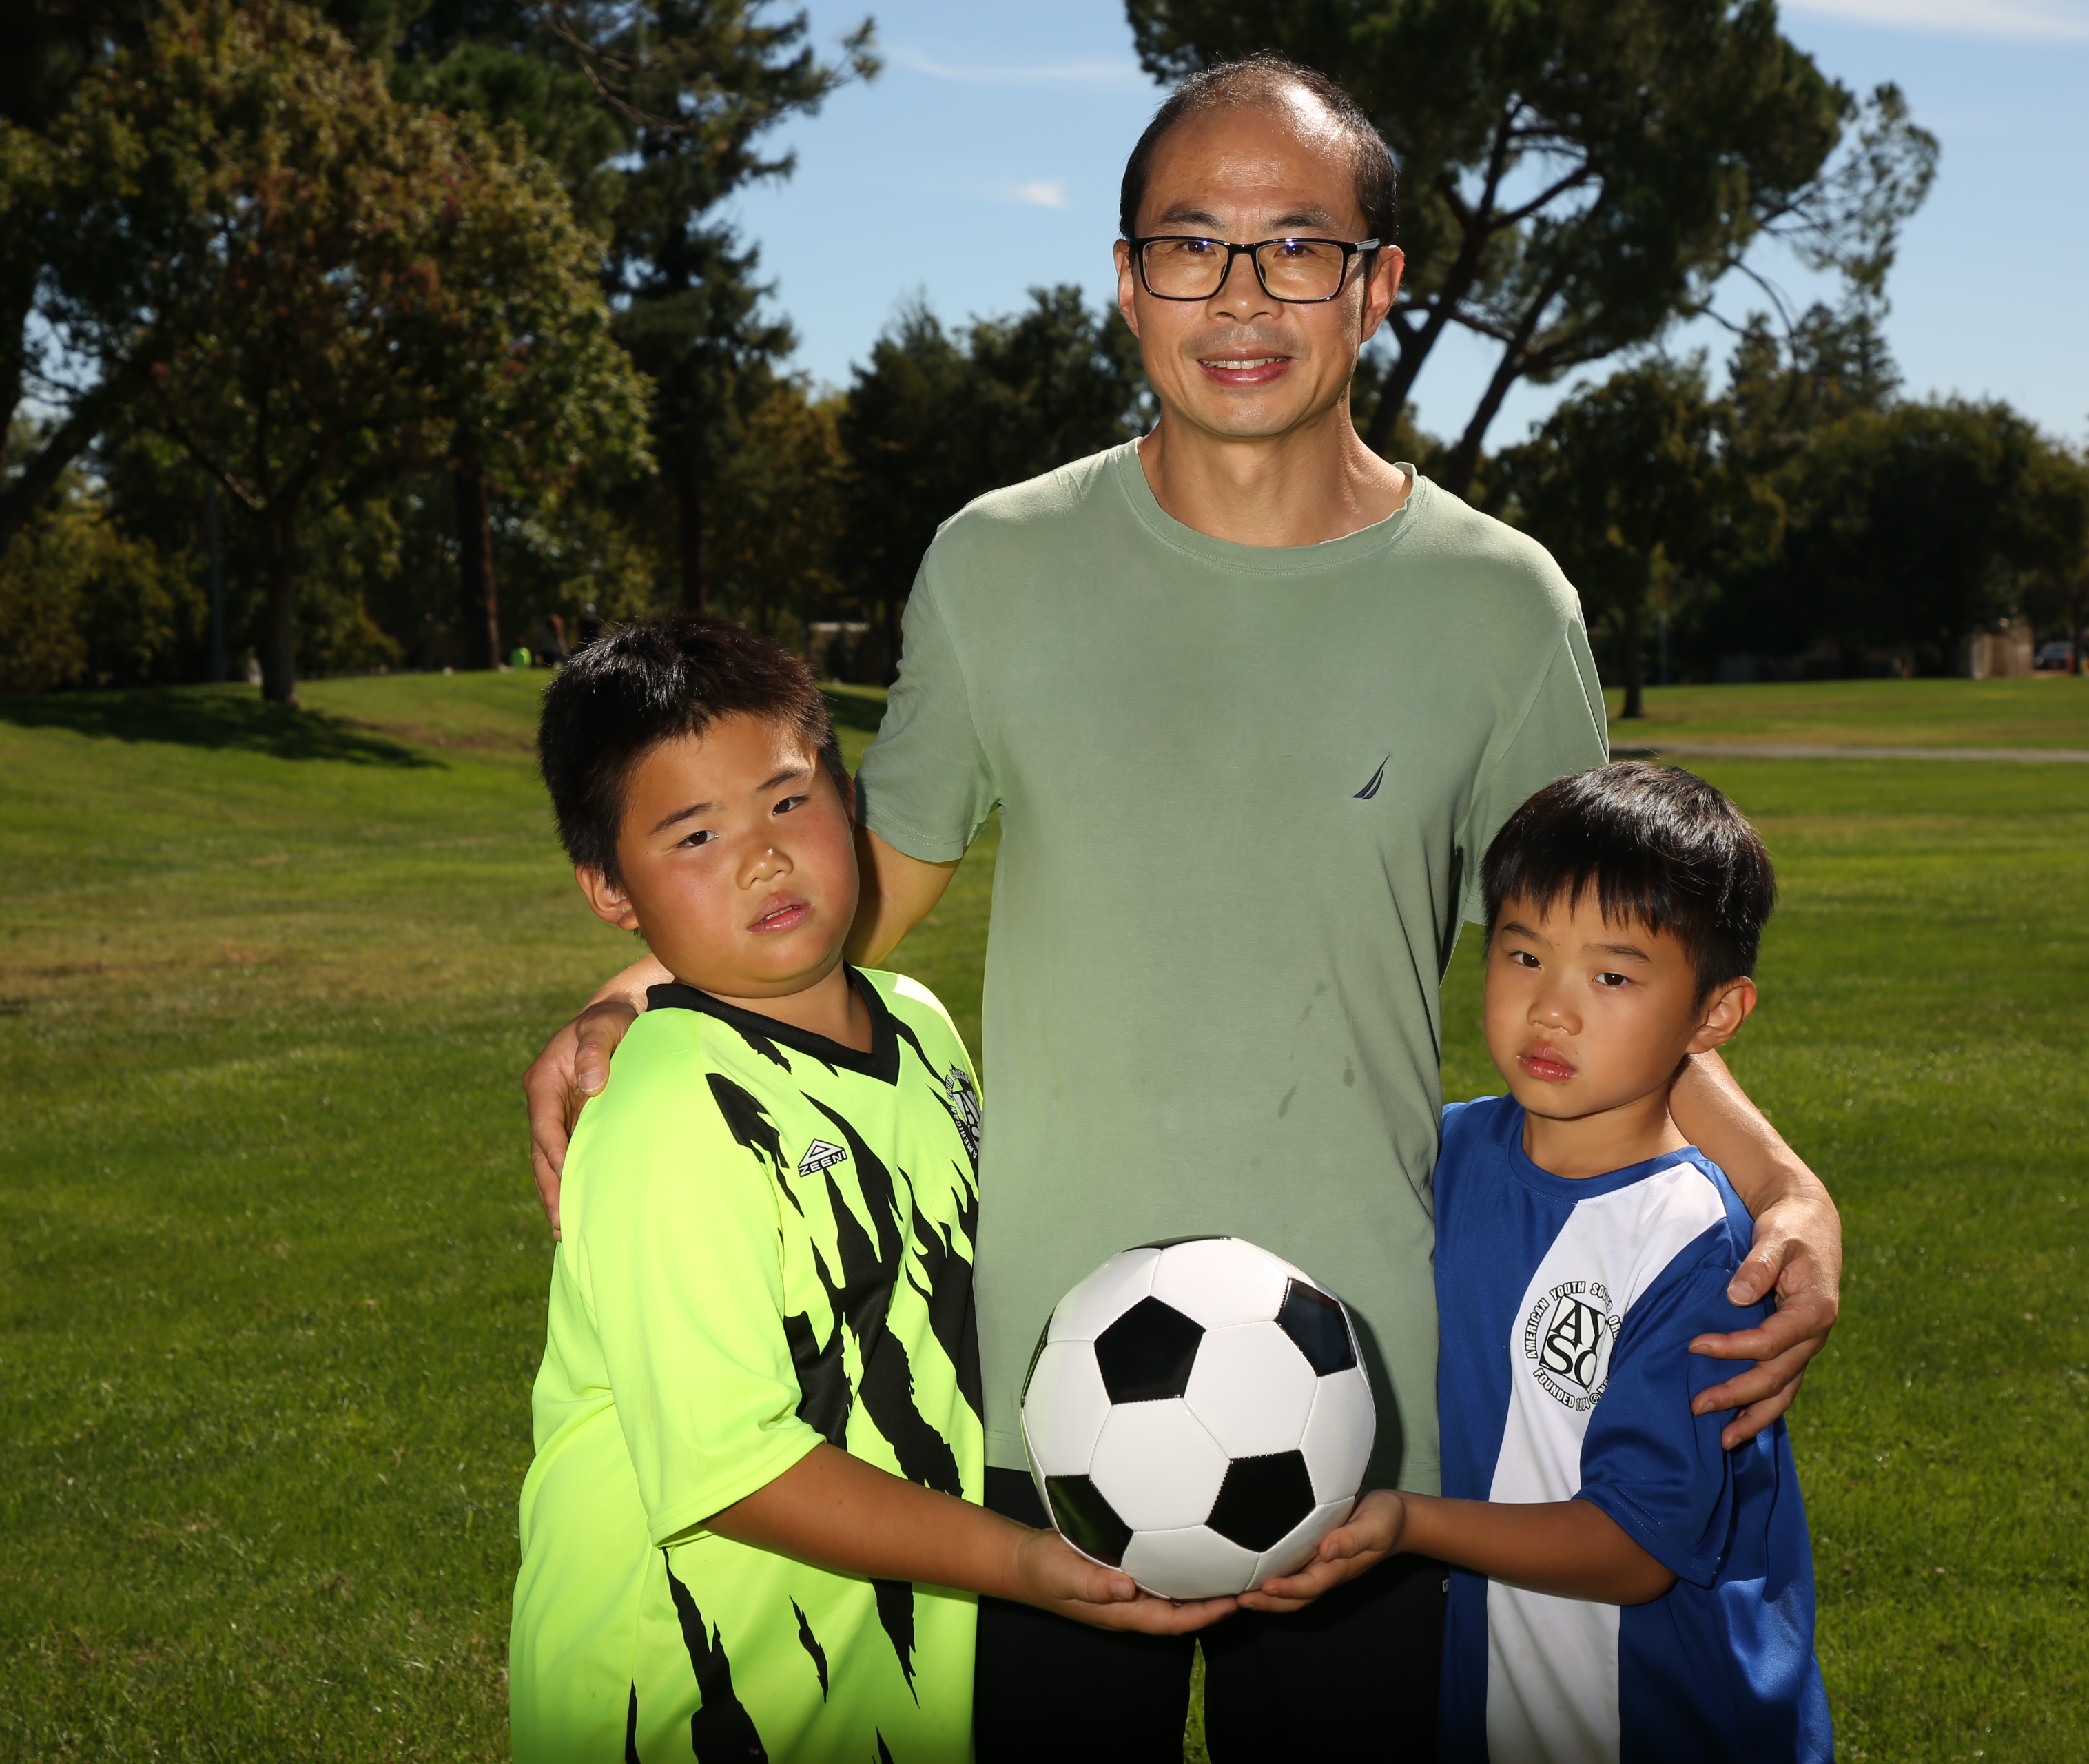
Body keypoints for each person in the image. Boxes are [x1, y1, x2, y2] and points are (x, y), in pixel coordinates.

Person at [522, 54, 1844, 1759]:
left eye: (1297, 247)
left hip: (1375, 1412)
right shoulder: (996, 563)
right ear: (1126, 278)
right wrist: (640, 993)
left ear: (1377, 282)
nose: (1239, 296)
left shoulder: (1503, 605)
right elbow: (850, 903)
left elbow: (1607, 978)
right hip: (1046, 1403)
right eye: (1189, 245)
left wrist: (1785, 1185)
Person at [510, 618, 1228, 1763]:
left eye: (788, 803)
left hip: (877, 1685)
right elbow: (731, 1470)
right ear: (610, 887)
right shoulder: (662, 1111)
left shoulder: (921, 1026)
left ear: (848, 802)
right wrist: (1022, 1561)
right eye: (696, 834)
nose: (762, 858)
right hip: (689, 1694)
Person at [1248, 763, 1828, 1762]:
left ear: (1715, 1018)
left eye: (1613, 977)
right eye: (1524, 955)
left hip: (1666, 1719)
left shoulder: (1699, 1250)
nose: (1552, 1010)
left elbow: (1638, 1549)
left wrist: (1410, 1524)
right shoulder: (1446, 1154)